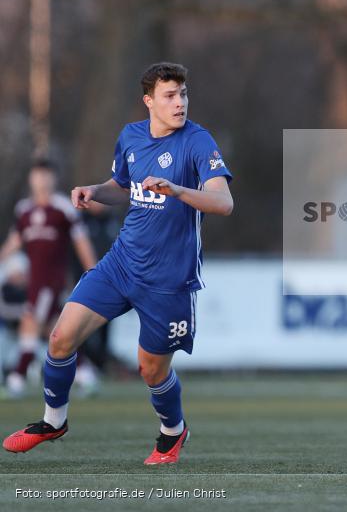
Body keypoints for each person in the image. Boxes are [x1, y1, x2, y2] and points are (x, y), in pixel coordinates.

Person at [2, 62, 234, 465]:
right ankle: (53, 421)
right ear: (149, 101)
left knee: (151, 371)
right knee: (60, 338)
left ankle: (173, 431)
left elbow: (224, 203)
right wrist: (95, 191)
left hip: (170, 280)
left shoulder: (197, 142)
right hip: (122, 264)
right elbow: (121, 187)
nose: (179, 103)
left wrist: (178, 189)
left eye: (183, 95)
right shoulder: (130, 136)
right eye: (169, 96)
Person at [0, 160, 97, 398]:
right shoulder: (24, 210)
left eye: (46, 176)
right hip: (35, 280)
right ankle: (86, 373)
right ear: (31, 179)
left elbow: (81, 241)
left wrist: (94, 273)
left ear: (54, 178)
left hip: (53, 280)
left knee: (30, 320)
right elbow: (15, 241)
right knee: (54, 330)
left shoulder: (63, 207)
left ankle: (17, 378)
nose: (41, 180)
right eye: (37, 176)